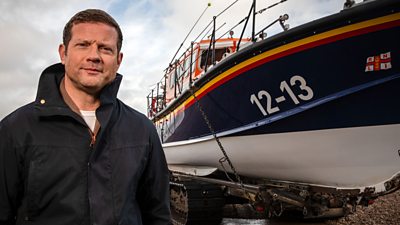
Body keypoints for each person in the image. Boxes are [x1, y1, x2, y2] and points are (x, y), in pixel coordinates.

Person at [0, 9, 171, 225]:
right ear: (63, 53)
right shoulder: (16, 128)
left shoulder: (142, 130)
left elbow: (158, 215)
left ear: (118, 60)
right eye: (83, 45)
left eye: (105, 48)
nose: (94, 56)